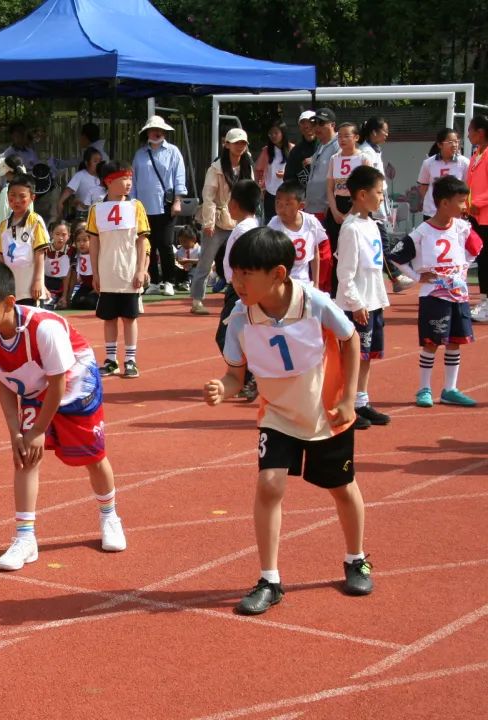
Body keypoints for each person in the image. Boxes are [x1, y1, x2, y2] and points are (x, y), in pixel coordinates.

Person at [204, 226, 372, 616]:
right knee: (269, 484)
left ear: (278, 274)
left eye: (247, 273)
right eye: (234, 272)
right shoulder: (240, 319)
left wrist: (348, 399)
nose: (237, 281)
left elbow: (350, 340)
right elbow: (235, 375)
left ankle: (356, 558)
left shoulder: (312, 302)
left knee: (342, 489)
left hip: (325, 414)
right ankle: (270, 579)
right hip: (277, 415)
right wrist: (221, 388)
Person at [0, 259, 125, 571]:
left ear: (9, 302)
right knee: (25, 455)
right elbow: (5, 383)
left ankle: (109, 516)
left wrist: (37, 430)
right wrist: (17, 432)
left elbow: (59, 381)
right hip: (36, 382)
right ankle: (25, 539)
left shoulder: (44, 329)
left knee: (93, 457)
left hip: (74, 382)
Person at [388, 175, 483, 407]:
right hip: (433, 295)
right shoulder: (423, 231)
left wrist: (462, 268)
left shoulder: (462, 227)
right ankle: (424, 389)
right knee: (431, 341)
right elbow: (397, 256)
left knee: (455, 341)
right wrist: (417, 276)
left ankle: (450, 389)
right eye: (460, 202)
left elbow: (476, 248)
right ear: (443, 203)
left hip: (458, 295)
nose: (464, 207)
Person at [335, 165, 390, 429]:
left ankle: (361, 400)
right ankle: (346, 402)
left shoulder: (372, 224)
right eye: (378, 192)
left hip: (373, 300)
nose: (381, 197)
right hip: (356, 304)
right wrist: (355, 303)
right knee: (353, 355)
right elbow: (345, 272)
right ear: (361, 195)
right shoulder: (351, 228)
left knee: (368, 355)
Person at [88, 161, 151, 378]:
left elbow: (142, 241)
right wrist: (95, 273)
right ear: (109, 181)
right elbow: (93, 243)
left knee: (130, 318)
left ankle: (130, 360)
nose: (128, 183)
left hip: (129, 273)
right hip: (107, 273)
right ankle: (111, 359)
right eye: (123, 179)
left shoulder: (136, 207)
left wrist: (141, 269)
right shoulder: (96, 209)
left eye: (130, 179)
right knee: (109, 318)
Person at [193, 128, 254, 315]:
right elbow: (208, 196)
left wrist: (251, 218)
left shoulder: (247, 164)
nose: (240, 146)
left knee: (245, 258)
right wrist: (209, 222)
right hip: (218, 219)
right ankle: (197, 300)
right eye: (236, 143)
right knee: (206, 260)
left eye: (243, 143)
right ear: (226, 144)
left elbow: (251, 191)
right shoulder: (216, 168)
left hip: (240, 219)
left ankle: (247, 295)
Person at [131, 116, 187, 297]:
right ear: (147, 132)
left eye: (160, 130)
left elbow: (179, 177)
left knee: (165, 243)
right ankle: (153, 281)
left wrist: (178, 200)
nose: (157, 133)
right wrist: (132, 204)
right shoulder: (139, 154)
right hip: (143, 207)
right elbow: (133, 180)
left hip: (165, 205)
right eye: (153, 130)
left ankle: (169, 281)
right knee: (148, 244)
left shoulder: (173, 151)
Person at [359, 116, 414, 294]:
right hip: (372, 206)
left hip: (379, 204)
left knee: (379, 241)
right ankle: (395, 276)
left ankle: (390, 277)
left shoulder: (374, 150)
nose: (387, 134)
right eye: (385, 130)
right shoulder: (365, 152)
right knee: (381, 242)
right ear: (374, 132)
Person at [216, 180, 262, 364]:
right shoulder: (253, 225)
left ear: (233, 204)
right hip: (242, 287)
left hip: (238, 289)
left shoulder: (242, 230)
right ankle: (249, 377)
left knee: (226, 335)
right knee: (242, 333)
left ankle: (246, 378)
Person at [0, 174, 50, 307]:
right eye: (12, 196)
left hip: (30, 288)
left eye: (22, 196)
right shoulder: (4, 225)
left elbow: (40, 254)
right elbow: (0, 255)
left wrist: (38, 281)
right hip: (11, 288)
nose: (17, 200)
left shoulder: (35, 221)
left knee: (30, 324)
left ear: (32, 197)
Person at [304, 109, 340, 294]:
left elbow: (335, 179)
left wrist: (329, 204)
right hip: (313, 206)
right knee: (315, 250)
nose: (317, 127)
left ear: (333, 125)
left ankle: (324, 289)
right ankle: (318, 287)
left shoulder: (337, 146)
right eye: (315, 123)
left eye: (321, 123)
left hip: (324, 208)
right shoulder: (321, 146)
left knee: (324, 252)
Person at [268, 180, 324, 287]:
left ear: (301, 205)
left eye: (287, 204)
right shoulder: (273, 224)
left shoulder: (311, 221)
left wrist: (316, 283)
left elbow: (315, 253)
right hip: (281, 283)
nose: (281, 208)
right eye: (278, 202)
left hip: (304, 282)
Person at [417, 128, 470, 219]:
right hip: (432, 213)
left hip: (455, 213)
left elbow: (467, 187)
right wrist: (430, 203)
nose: (455, 145)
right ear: (439, 144)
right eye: (450, 142)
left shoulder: (464, 163)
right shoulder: (428, 163)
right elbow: (423, 187)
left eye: (456, 142)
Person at [467, 115, 488, 321]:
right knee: (482, 259)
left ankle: (486, 303)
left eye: (470, 131)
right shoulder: (476, 155)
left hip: (485, 214)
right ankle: (484, 300)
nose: (467, 135)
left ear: (480, 132)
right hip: (476, 216)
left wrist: (478, 202)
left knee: (486, 260)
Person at [255, 120, 293, 223]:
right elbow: (258, 169)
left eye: (276, 133)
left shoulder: (292, 149)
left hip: (288, 193)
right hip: (271, 194)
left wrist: (286, 175)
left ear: (283, 133)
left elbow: (297, 171)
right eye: (270, 133)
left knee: (286, 222)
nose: (273, 136)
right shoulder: (267, 150)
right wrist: (261, 186)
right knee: (271, 223)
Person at [56, 147, 105, 222]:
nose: (98, 164)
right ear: (86, 163)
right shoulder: (80, 175)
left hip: (99, 214)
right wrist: (60, 202)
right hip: (83, 214)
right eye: (95, 161)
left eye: (100, 161)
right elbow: (69, 190)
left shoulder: (103, 177)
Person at [67, 224, 98, 310]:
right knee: (75, 304)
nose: (81, 243)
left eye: (85, 240)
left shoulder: (97, 254)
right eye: (78, 240)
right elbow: (73, 277)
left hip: (98, 287)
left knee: (90, 303)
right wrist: (68, 297)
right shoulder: (76, 255)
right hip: (86, 285)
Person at [285, 110, 318, 190]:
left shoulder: (326, 146)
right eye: (304, 126)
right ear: (300, 128)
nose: (308, 129)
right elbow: (289, 178)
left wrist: (316, 159)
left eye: (311, 125)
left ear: (318, 126)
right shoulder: (296, 151)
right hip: (304, 197)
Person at [43, 219, 72, 309]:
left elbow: (68, 275)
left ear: (69, 236)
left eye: (64, 235)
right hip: (45, 282)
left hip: (60, 284)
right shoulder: (45, 249)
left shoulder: (71, 251)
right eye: (57, 234)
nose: (60, 238)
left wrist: (65, 295)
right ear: (51, 234)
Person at [173, 225, 201, 292]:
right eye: (181, 242)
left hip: (196, 271)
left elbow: (202, 261)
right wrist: (179, 261)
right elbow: (176, 259)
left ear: (193, 240)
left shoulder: (199, 249)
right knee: (175, 269)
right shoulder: (180, 250)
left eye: (185, 241)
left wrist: (189, 261)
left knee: (195, 269)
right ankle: (177, 282)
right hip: (184, 270)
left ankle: (188, 282)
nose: (183, 244)